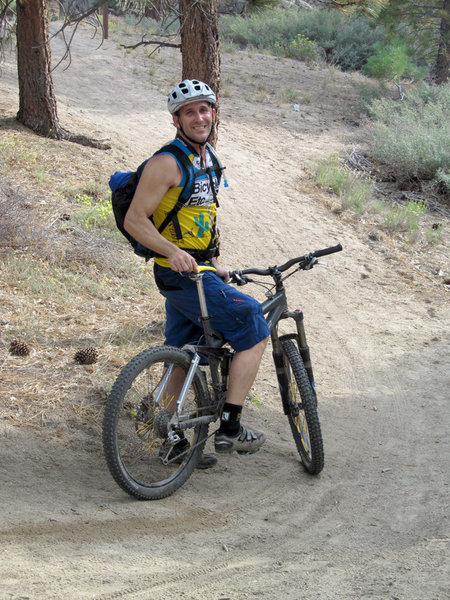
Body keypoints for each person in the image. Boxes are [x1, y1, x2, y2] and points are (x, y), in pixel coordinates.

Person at [124, 79, 270, 469]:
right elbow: (135, 220)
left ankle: (162, 430)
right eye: (190, 111)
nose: (200, 116)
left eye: (205, 109)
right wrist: (173, 252)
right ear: (176, 120)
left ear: (214, 114)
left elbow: (204, 217)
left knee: (182, 356)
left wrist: (215, 260)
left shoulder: (209, 159)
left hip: (200, 271)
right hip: (181, 274)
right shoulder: (166, 163)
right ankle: (230, 427)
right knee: (254, 325)